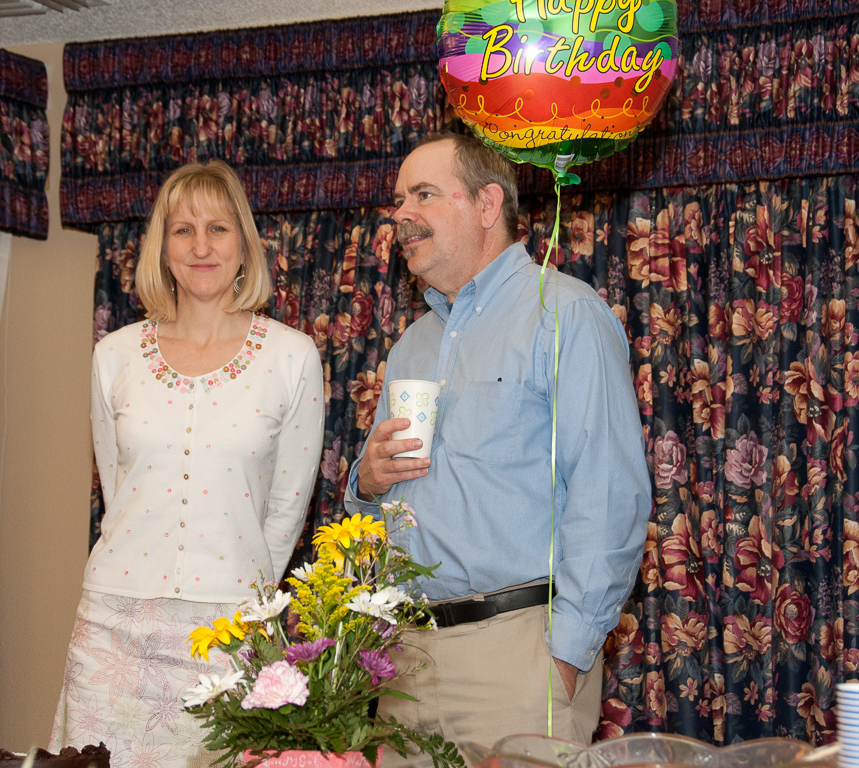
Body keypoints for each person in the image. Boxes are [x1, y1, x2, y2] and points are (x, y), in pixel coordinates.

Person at [344, 132, 650, 763]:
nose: (401, 215)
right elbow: (380, 521)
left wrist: (564, 655)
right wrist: (365, 484)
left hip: (518, 654)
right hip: (406, 661)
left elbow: (609, 496)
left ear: (487, 204)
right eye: (399, 199)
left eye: (423, 194)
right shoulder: (412, 346)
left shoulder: (565, 314)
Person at [51, 160, 325, 768]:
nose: (201, 246)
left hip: (229, 635)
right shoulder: (114, 355)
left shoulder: (292, 357)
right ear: (162, 248)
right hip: (111, 627)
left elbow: (285, 510)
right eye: (183, 230)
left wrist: (237, 596)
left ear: (245, 245)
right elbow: (118, 489)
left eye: (219, 229)